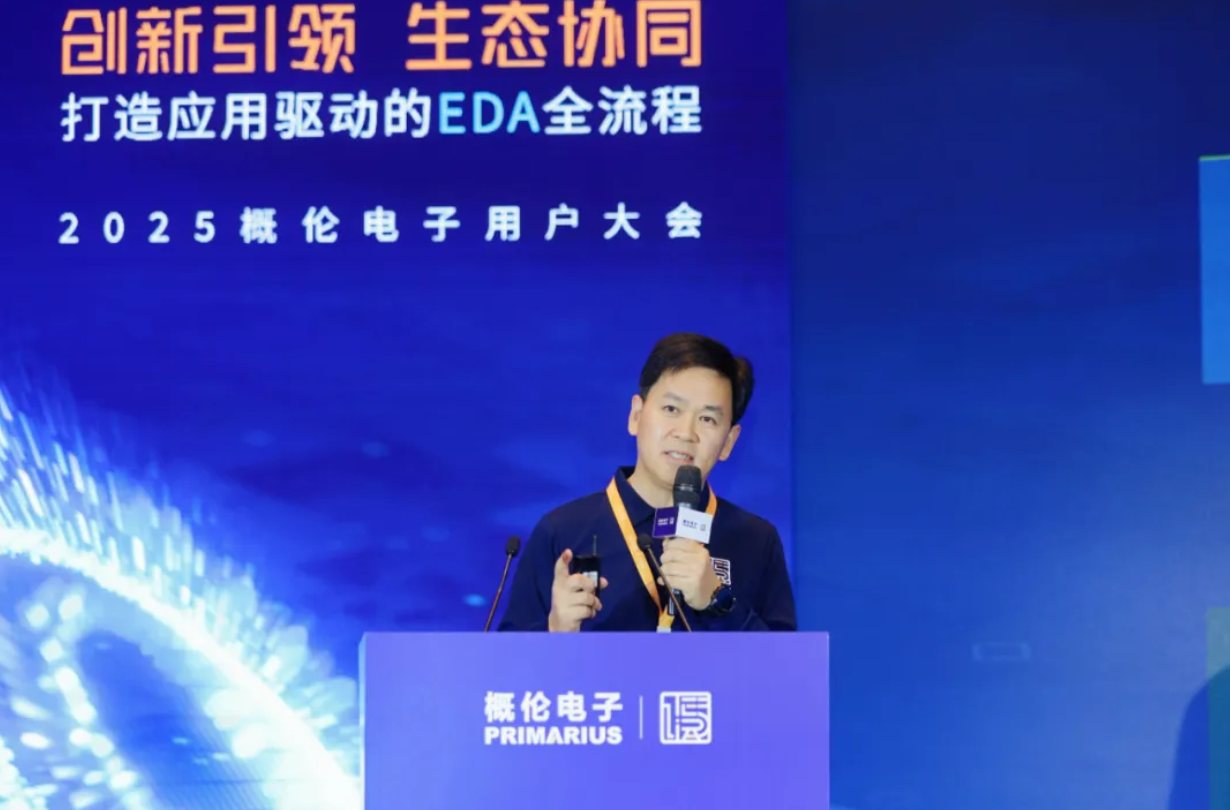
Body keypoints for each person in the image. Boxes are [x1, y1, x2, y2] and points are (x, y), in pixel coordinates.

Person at [498, 333, 797, 632]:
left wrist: (716, 600)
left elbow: (787, 660)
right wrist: (554, 631)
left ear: (729, 442)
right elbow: (505, 659)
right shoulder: (562, 531)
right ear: (636, 416)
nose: (686, 433)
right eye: (672, 409)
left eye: (707, 419)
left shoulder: (756, 540)